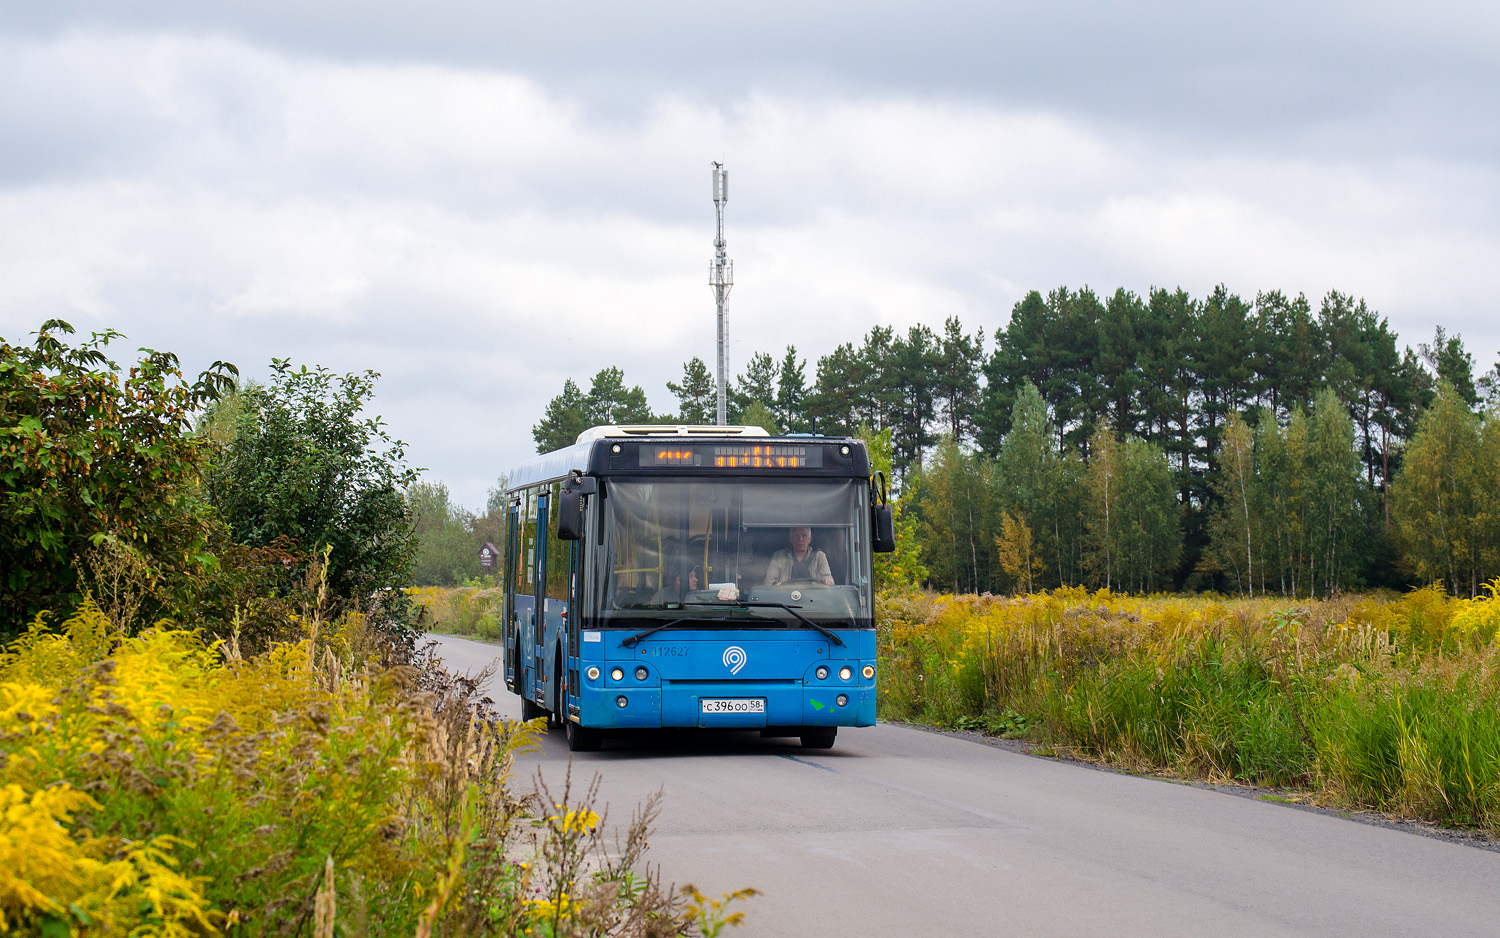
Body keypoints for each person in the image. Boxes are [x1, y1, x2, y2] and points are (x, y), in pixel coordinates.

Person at [762, 526, 834, 586]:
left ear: (810, 539)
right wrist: (777, 585)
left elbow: (828, 578)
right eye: (796, 536)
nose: (800, 539)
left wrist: (827, 580)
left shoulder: (819, 556)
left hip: (813, 598)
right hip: (784, 596)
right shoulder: (778, 556)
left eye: (804, 536)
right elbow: (769, 581)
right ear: (791, 539)